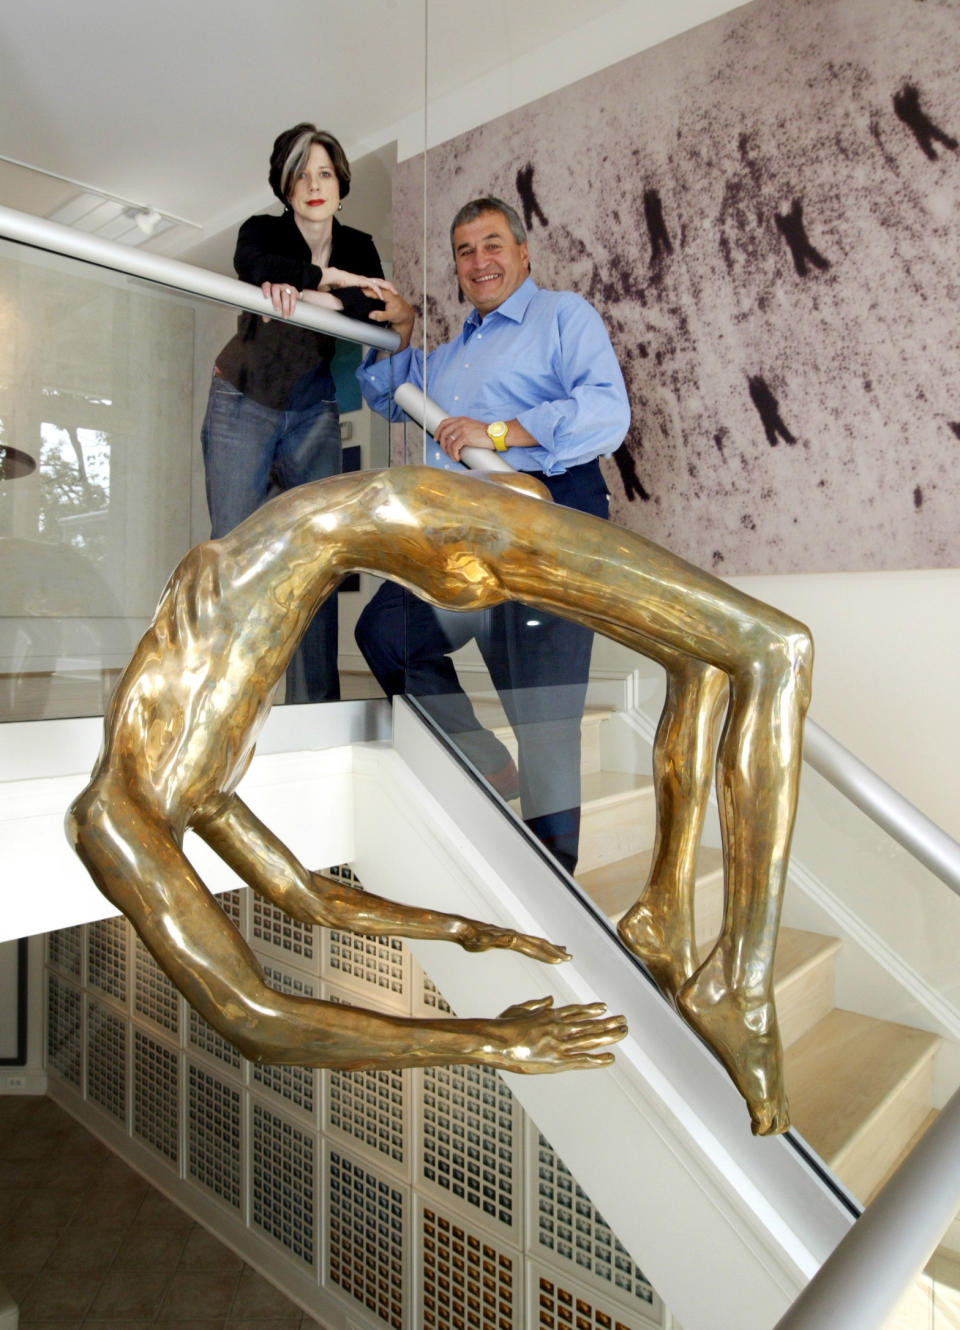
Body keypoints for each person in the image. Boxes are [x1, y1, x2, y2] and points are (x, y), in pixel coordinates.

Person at [66, 463, 811, 1131]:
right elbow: (307, 903)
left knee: (771, 651)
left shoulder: (120, 816)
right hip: (398, 524)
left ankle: (736, 982)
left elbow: (251, 1016)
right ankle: (672, 919)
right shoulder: (193, 793)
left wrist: (491, 1035)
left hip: (406, 521)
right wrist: (468, 938)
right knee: (723, 653)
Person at [354, 197, 630, 872]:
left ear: (523, 250)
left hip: (546, 529)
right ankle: (486, 762)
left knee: (546, 724)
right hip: (465, 543)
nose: (479, 261)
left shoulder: (563, 316)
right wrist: (402, 329)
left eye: (492, 244)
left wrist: (498, 431)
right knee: (386, 633)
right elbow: (383, 393)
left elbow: (606, 412)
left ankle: (553, 886)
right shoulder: (446, 359)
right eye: (465, 251)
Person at [201, 122, 394, 703]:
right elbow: (250, 260)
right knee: (234, 556)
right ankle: (221, 703)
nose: (314, 184)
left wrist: (309, 293)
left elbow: (375, 305)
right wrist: (325, 280)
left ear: (340, 184)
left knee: (318, 559)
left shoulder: (359, 244)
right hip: (242, 399)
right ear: (286, 187)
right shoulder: (265, 231)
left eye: (325, 173)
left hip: (312, 410)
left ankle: (314, 711)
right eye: (301, 175)